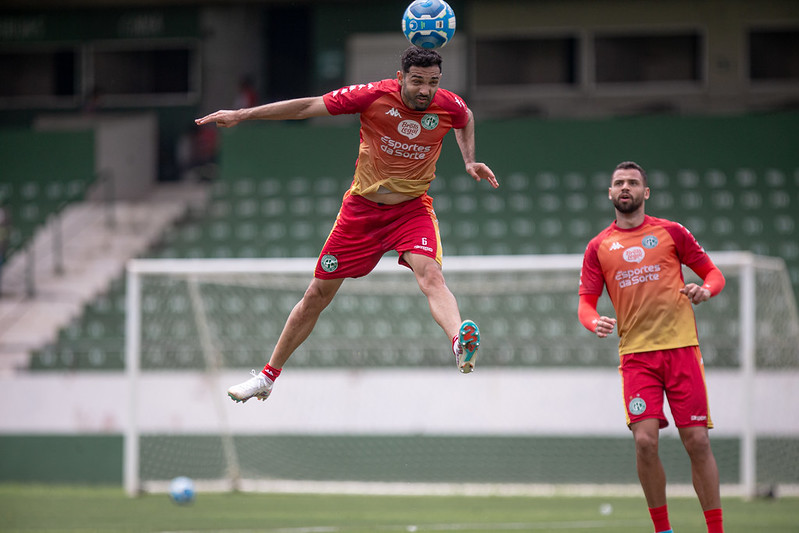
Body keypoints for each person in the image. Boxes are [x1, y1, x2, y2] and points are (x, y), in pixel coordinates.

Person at [196, 46, 498, 403]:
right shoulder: (371, 96)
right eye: (417, 81)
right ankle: (267, 377)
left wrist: (469, 160)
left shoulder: (448, 105)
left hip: (411, 211)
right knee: (316, 296)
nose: (424, 90)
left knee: (431, 276)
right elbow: (308, 106)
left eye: (432, 83)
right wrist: (242, 115)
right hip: (362, 212)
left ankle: (459, 345)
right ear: (400, 78)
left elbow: (466, 118)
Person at [578, 161, 726, 533]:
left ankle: (716, 529)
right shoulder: (599, 246)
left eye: (632, 183)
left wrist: (704, 290)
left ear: (646, 193)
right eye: (618, 183)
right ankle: (663, 529)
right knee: (645, 442)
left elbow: (713, 273)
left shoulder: (671, 232)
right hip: (636, 357)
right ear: (610, 194)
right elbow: (585, 302)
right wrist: (596, 322)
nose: (624, 187)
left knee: (697, 441)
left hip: (681, 350)